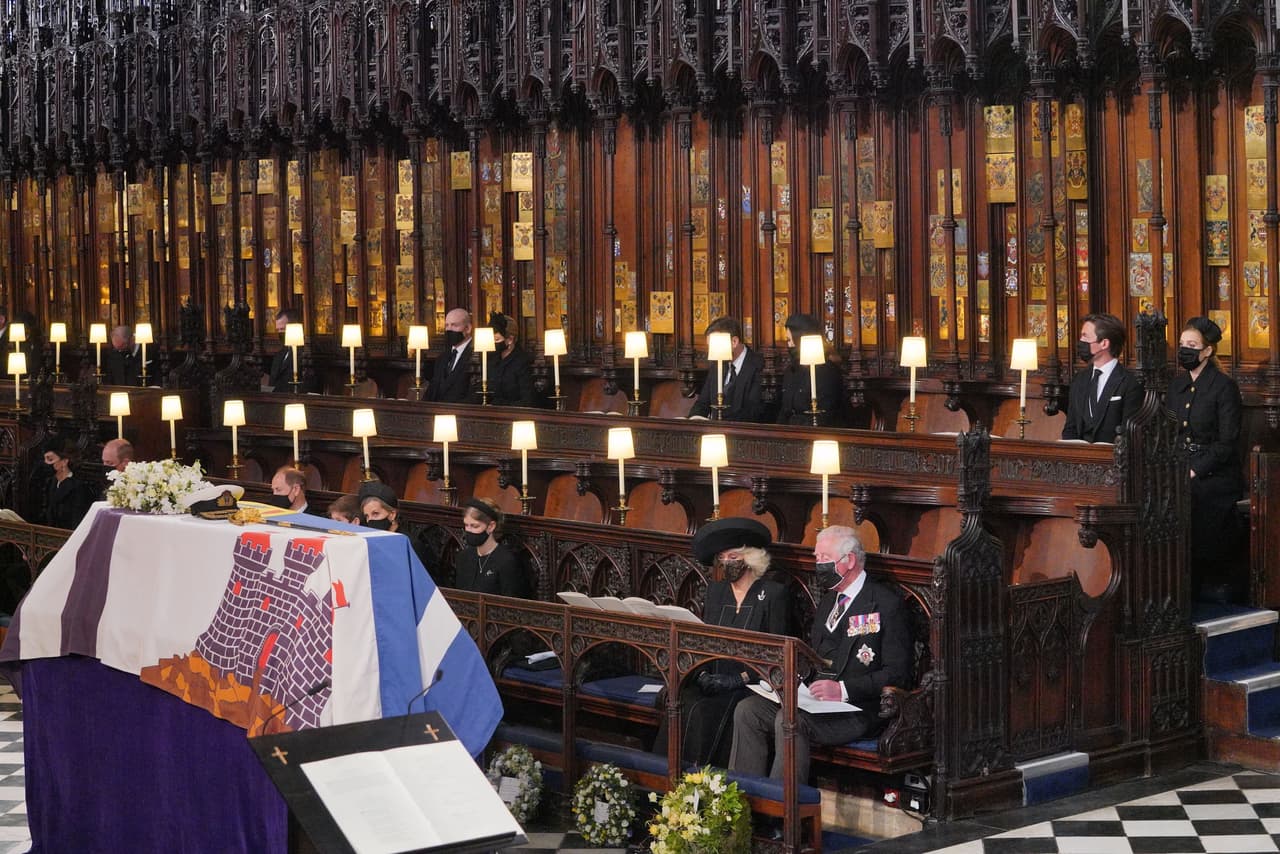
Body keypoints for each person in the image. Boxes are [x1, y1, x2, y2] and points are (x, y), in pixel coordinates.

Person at [729, 525, 911, 783]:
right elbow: (815, 655)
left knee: (788, 719)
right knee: (748, 710)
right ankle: (743, 807)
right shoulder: (828, 601)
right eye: (816, 558)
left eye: (824, 559)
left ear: (848, 561)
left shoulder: (885, 604)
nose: (818, 565)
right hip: (815, 702)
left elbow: (898, 673)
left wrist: (843, 689)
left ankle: (782, 812)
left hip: (857, 709)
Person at [658, 517, 789, 767]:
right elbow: (704, 640)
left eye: (733, 557)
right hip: (714, 679)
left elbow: (778, 653)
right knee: (681, 700)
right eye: (723, 558)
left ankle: (705, 781)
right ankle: (667, 775)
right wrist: (704, 673)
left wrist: (739, 678)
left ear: (749, 557)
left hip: (749, 685)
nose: (726, 563)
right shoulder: (716, 591)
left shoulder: (773, 594)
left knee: (708, 712)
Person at [1167, 316, 1245, 602]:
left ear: (1207, 350)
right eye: (1182, 344)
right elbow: (1171, 428)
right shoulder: (1176, 386)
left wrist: (1194, 470)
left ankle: (1202, 586)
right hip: (1179, 465)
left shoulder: (1223, 387)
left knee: (1197, 502)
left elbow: (1227, 443)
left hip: (1215, 474)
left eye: (1192, 345)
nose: (1185, 350)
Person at [1062, 313, 1143, 442]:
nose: (1080, 341)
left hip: (1112, 458)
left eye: (1085, 336)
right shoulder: (1079, 379)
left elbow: (1129, 434)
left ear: (1104, 343)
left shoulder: (1130, 383)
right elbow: (1070, 427)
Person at [688, 317, 768, 423]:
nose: (711, 352)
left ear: (734, 342)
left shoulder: (758, 366)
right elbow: (702, 402)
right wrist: (692, 419)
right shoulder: (717, 366)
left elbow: (754, 410)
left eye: (714, 346)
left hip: (742, 433)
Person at [775, 314, 843, 426]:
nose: (790, 345)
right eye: (788, 340)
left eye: (791, 340)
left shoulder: (827, 372)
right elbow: (785, 410)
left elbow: (827, 413)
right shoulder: (791, 370)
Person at [452, 498, 529, 597]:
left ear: (491, 526)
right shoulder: (463, 557)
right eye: (466, 525)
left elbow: (513, 603)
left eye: (475, 526)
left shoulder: (507, 561)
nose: (469, 530)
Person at [43, 441, 96, 530]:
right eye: (44, 459)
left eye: (50, 460)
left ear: (64, 461)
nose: (46, 463)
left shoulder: (78, 487)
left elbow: (77, 520)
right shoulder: (51, 482)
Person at [485, 313, 535, 406]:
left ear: (510, 339)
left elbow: (527, 400)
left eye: (496, 340)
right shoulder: (493, 360)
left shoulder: (522, 362)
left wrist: (498, 404)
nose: (492, 344)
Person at [265, 307, 318, 393]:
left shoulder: (305, 354)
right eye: (278, 330)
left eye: (282, 329)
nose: (280, 333)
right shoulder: (280, 354)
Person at [427, 308, 474, 403]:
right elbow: (434, 389)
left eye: (454, 325)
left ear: (468, 328)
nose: (449, 329)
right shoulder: (442, 358)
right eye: (446, 325)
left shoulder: (477, 355)